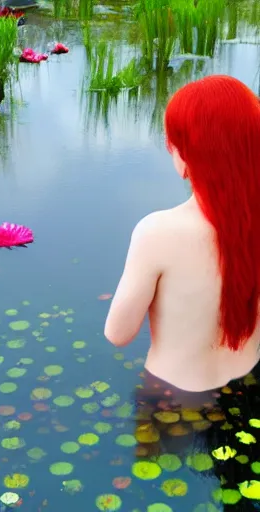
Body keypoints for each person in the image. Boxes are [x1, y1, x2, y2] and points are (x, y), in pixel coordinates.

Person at [104, 75, 260, 393]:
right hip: (247, 387)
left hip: (172, 396)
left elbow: (118, 334)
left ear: (186, 152)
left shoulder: (157, 232)